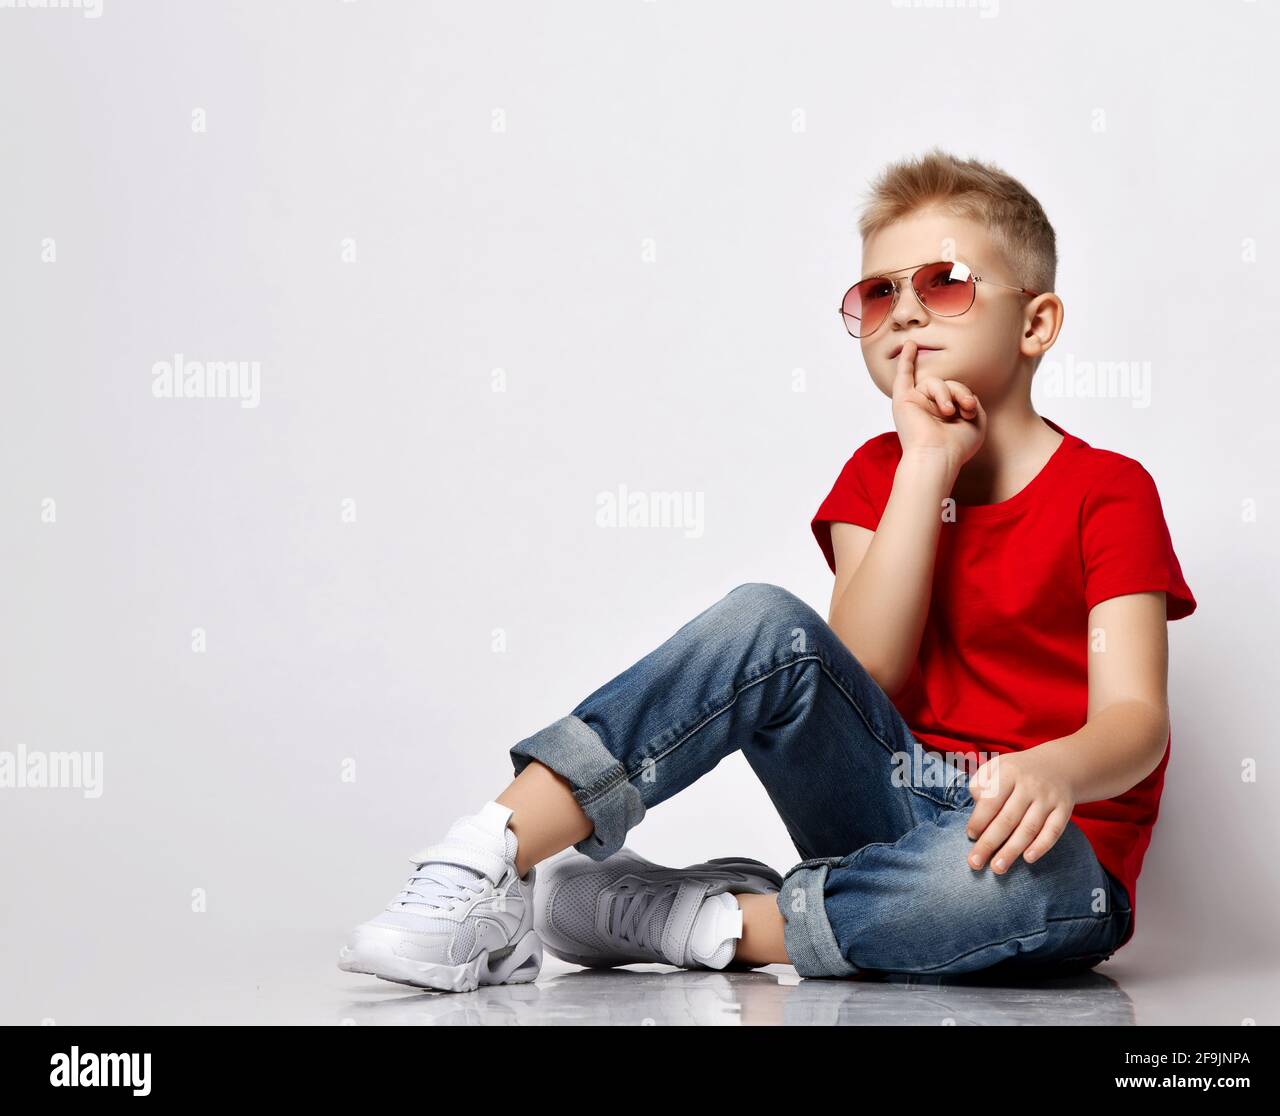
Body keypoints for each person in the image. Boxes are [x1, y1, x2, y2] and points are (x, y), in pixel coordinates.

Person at [338, 148, 1196, 992]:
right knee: (762, 617)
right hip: (885, 807)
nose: (903, 311)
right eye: (878, 292)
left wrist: (1058, 769)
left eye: (944, 282)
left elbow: (1136, 719)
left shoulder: (1107, 491)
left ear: (1036, 323)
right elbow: (861, 666)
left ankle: (708, 921)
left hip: (1042, 852)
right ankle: (483, 863)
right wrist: (926, 465)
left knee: (1025, 881)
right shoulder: (877, 474)